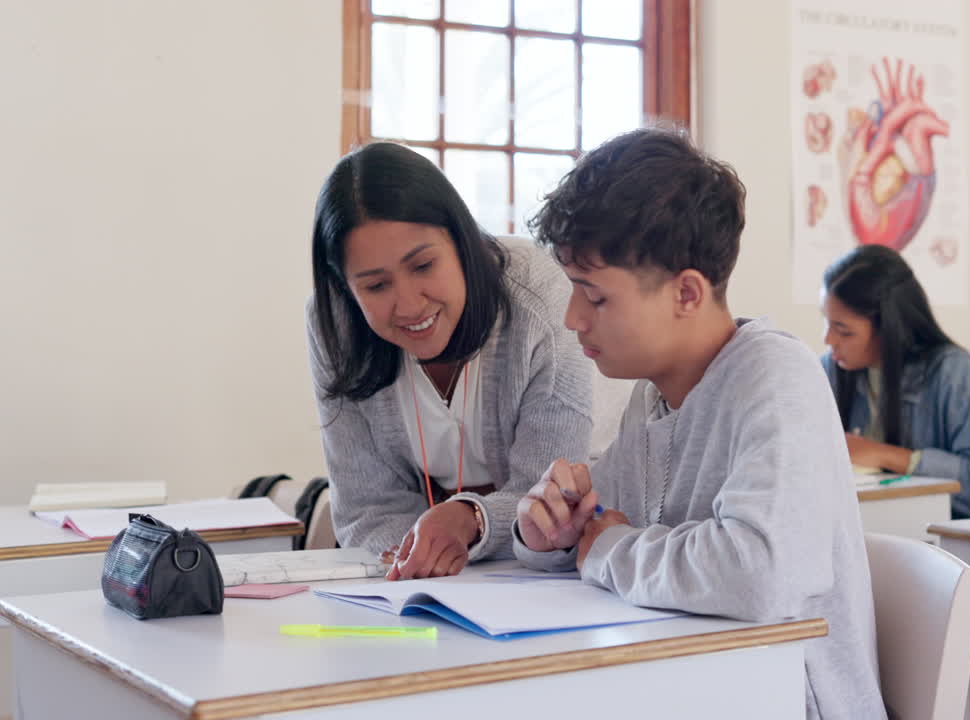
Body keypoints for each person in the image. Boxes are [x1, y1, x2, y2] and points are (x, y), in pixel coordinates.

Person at [512, 127, 887, 720]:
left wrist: (606, 548)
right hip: (694, 687)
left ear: (687, 292)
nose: (572, 318)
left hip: (792, 701)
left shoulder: (774, 375)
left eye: (596, 296)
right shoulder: (653, 395)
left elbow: (762, 572)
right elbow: (599, 530)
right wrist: (549, 533)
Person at [307, 142, 593, 579]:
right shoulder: (336, 326)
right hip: (443, 586)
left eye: (423, 266)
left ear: (462, 241)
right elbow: (366, 510)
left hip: (565, 565)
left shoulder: (536, 293)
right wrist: (424, 554)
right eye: (375, 286)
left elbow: (550, 502)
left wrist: (468, 521)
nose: (407, 305)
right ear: (346, 289)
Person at [818, 243, 970, 720]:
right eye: (827, 323)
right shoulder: (831, 371)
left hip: (942, 571)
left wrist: (892, 457)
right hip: (863, 565)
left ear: (887, 327)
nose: (829, 340)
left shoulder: (951, 373)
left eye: (843, 328)